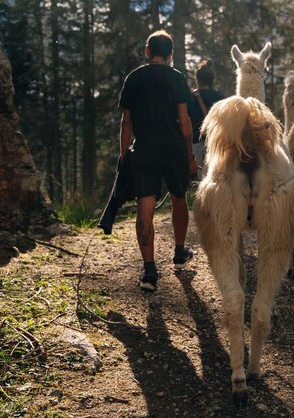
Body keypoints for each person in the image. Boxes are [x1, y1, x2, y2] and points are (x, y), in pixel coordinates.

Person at [118, 30, 197, 292]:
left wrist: (123, 155)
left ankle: (149, 272)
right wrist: (189, 154)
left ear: (147, 51)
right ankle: (179, 252)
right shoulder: (177, 78)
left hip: (144, 150)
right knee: (178, 198)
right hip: (173, 149)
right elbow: (184, 121)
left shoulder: (134, 78)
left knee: (145, 209)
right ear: (171, 55)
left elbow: (126, 121)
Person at [187, 60, 225, 179]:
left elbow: (187, 119)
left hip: (196, 141)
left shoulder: (191, 97)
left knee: (200, 178)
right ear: (212, 80)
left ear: (197, 79)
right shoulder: (220, 97)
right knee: (215, 176)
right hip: (216, 141)